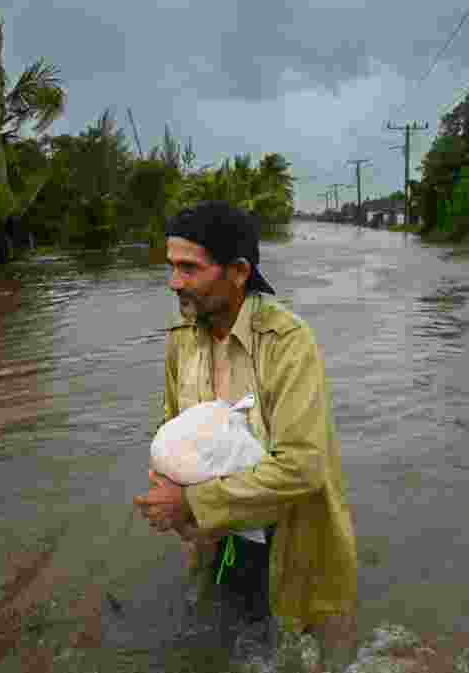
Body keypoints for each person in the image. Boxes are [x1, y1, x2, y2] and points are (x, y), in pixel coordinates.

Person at [133, 201, 358, 671]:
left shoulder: (288, 343)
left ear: (237, 271)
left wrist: (191, 502)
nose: (175, 281)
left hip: (286, 535)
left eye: (189, 268)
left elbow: (304, 466)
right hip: (215, 533)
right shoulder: (182, 338)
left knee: (298, 649)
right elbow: (172, 427)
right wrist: (171, 497)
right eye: (172, 267)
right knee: (222, 644)